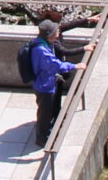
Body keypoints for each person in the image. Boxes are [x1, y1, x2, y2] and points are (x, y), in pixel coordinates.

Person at [22, 18, 78, 148]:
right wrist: (74, 66)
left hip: (44, 83)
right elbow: (54, 64)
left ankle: (46, 132)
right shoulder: (41, 50)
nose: (58, 30)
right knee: (44, 113)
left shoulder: (41, 43)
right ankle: (42, 138)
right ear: (50, 35)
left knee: (46, 111)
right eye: (55, 30)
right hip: (45, 86)